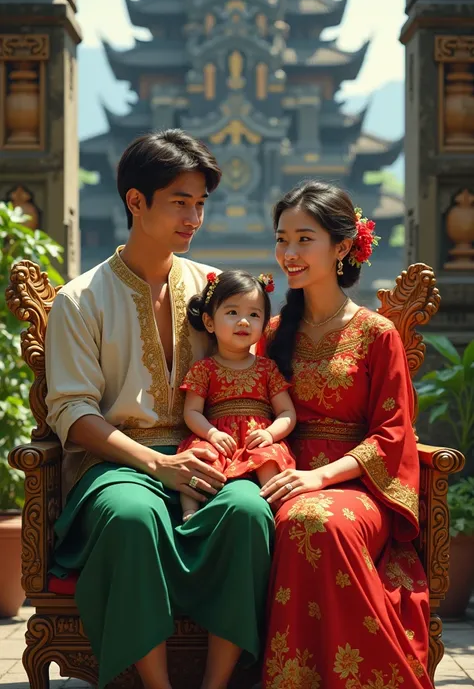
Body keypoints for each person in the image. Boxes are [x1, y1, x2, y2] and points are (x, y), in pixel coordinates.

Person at [45, 130, 274, 689]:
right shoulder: (80, 299)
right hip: (116, 464)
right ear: (136, 201)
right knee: (131, 516)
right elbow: (72, 410)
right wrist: (156, 464)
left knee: (248, 511)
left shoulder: (215, 290)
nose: (194, 217)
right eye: (180, 201)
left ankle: (217, 684)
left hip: (210, 458)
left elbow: (257, 373)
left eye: (200, 203)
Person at [257, 180, 433, 689]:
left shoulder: (377, 333)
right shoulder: (269, 335)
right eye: (281, 238)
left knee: (316, 520)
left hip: (356, 483)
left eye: (303, 239)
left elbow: (393, 430)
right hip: (279, 476)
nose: (288, 253)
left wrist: (321, 478)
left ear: (341, 247)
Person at [177, 269, 296, 521]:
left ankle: (275, 510)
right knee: (199, 457)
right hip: (219, 438)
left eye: (253, 315)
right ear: (209, 322)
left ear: (264, 326)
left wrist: (269, 434)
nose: (243, 321)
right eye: (232, 313)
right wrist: (211, 433)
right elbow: (192, 411)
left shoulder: (267, 368)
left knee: (269, 456)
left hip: (256, 439)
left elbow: (286, 413)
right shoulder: (204, 368)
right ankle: (189, 511)